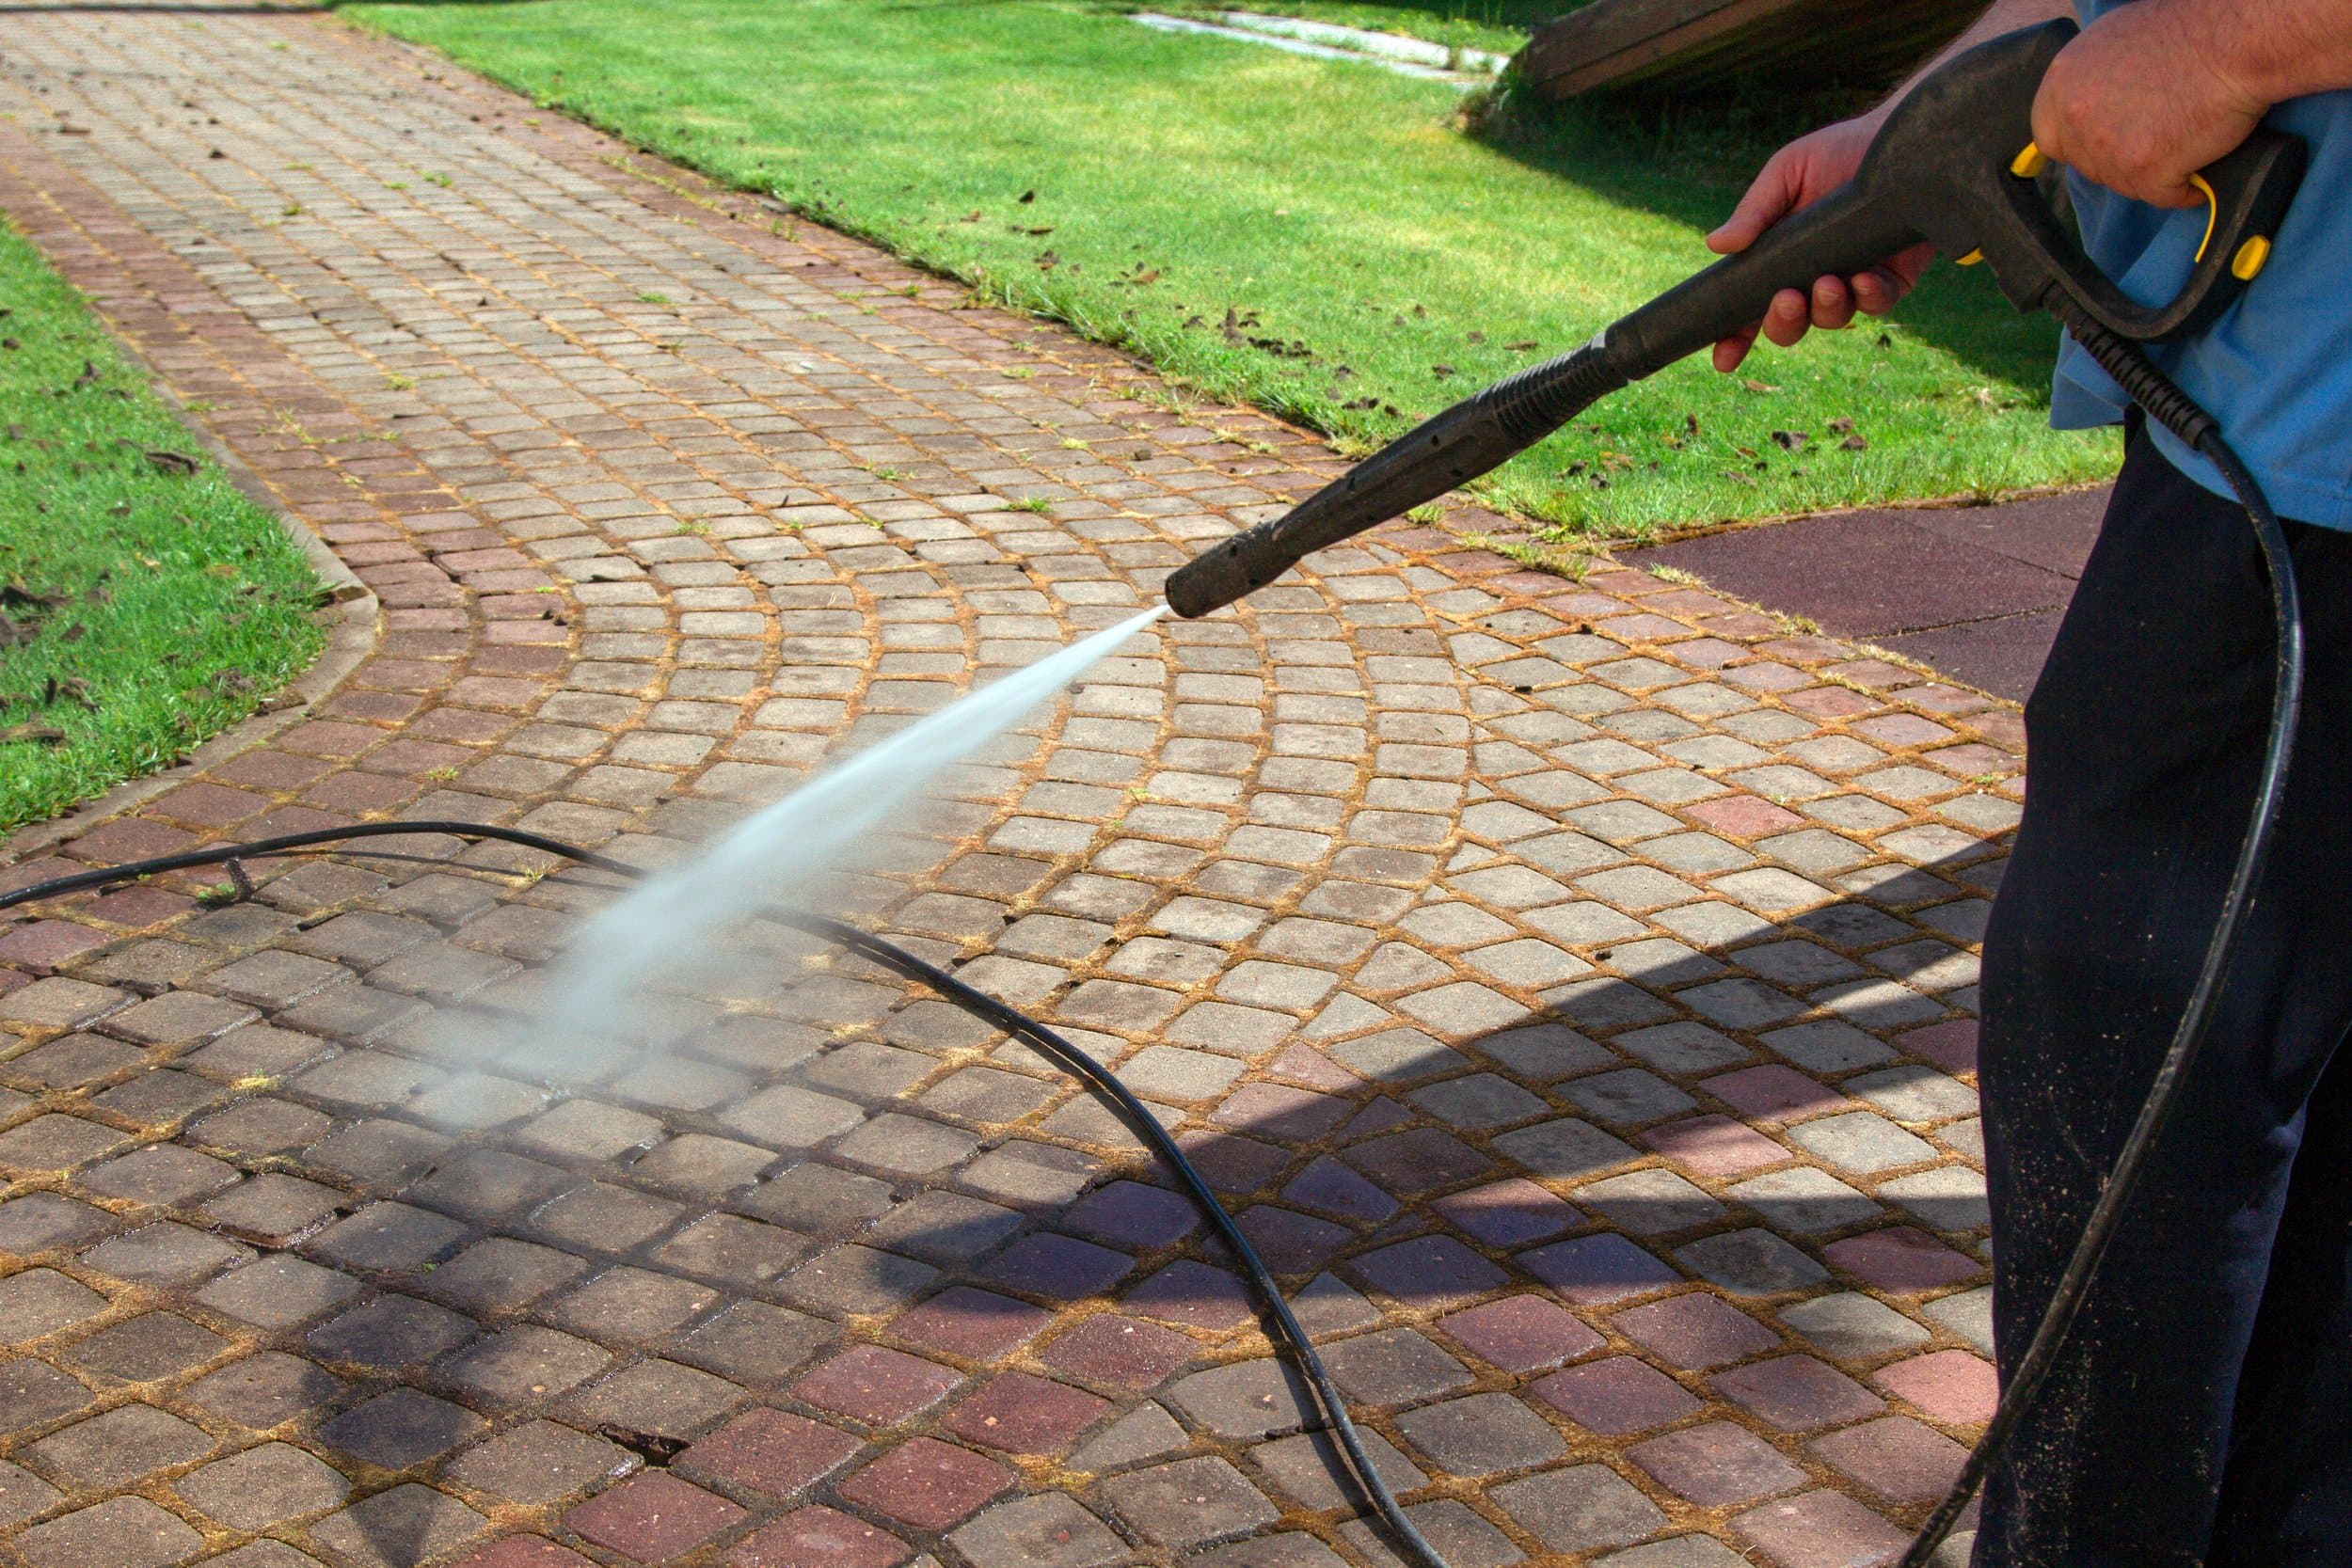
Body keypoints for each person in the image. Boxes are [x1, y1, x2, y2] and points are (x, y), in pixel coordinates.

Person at [1710, 3, 2352, 1563]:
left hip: (2306, 503)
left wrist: (2248, 43)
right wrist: (1924, 123)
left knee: (2138, 1106)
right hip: (2274, 452)